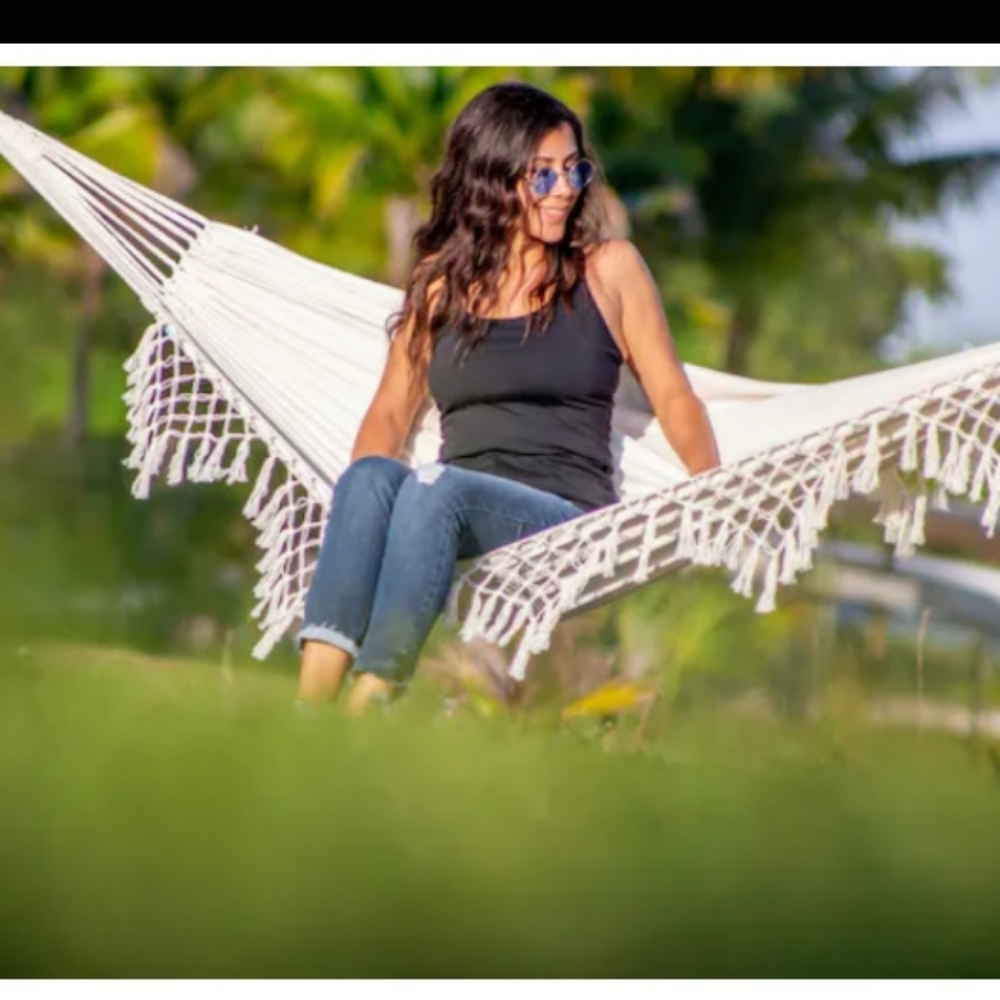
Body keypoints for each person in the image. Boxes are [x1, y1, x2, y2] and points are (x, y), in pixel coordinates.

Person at [295, 81, 721, 715]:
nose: (567, 189)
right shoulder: (442, 288)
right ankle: (309, 707)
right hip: (445, 511)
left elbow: (674, 395)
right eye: (542, 175)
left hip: (560, 518)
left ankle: (373, 698)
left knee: (436, 487)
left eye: (573, 169)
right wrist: (370, 507)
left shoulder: (609, 270)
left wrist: (715, 496)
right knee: (368, 480)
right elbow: (389, 412)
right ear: (494, 181)